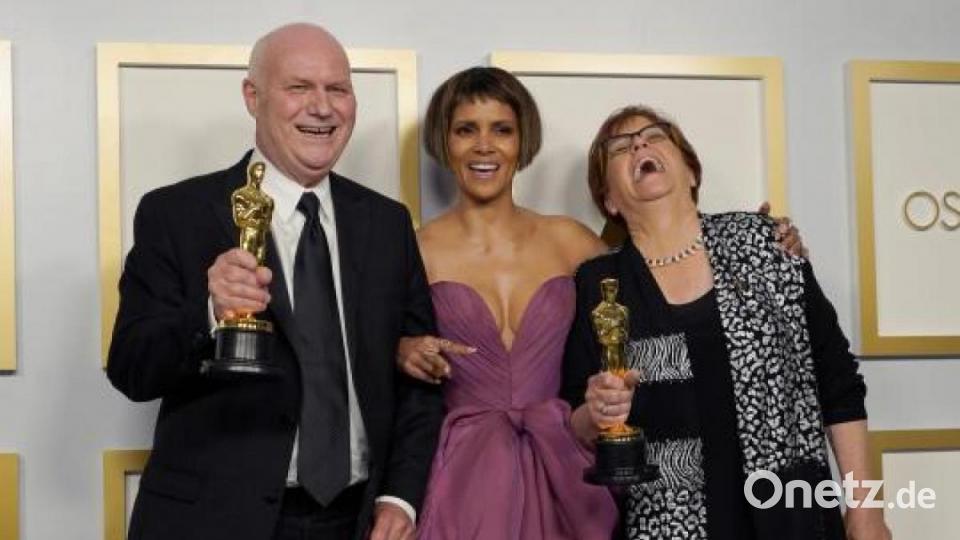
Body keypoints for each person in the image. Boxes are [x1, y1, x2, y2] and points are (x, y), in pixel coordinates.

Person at [394, 68, 804, 539]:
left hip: (569, 467)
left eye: (501, 129)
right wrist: (401, 349)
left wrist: (750, 245)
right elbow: (369, 351)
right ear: (444, 143)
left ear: (522, 141)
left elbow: (660, 275)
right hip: (463, 478)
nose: (484, 145)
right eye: (466, 129)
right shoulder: (415, 249)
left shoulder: (569, 240)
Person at [107, 23, 442, 540]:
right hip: (212, 522)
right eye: (299, 88)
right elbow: (132, 368)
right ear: (252, 96)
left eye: (338, 89)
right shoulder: (177, 213)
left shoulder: (387, 223)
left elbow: (420, 373)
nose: (322, 107)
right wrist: (210, 311)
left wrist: (400, 496)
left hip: (354, 521)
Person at [562, 105, 892, 540]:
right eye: (620, 147)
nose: (640, 144)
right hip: (668, 524)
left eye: (655, 135)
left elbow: (838, 384)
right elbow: (574, 418)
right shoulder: (600, 285)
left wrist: (866, 511)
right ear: (608, 198)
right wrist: (596, 412)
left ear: (692, 172)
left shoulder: (765, 243)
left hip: (789, 515)